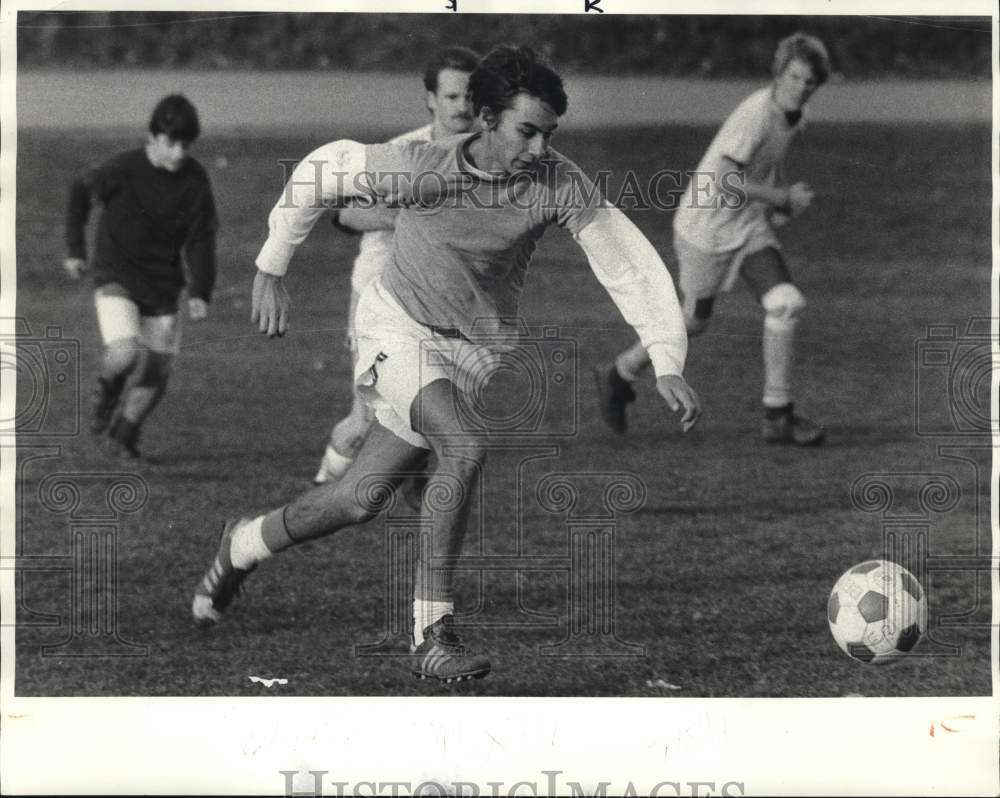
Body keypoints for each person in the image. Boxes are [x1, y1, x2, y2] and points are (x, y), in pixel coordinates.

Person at [192, 45, 701, 683]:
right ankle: (432, 633)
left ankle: (241, 544)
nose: (540, 148)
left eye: (549, 133)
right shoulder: (421, 167)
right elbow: (324, 169)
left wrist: (666, 357)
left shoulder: (557, 181)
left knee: (359, 499)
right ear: (485, 119)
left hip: (469, 354)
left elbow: (625, 261)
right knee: (464, 447)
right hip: (394, 327)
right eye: (527, 131)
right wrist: (271, 264)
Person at [595, 33, 830, 445]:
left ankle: (777, 415)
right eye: (794, 78)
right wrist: (780, 197)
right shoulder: (756, 113)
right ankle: (619, 374)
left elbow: (764, 164)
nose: (801, 88)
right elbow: (724, 179)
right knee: (692, 323)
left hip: (747, 225)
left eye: (809, 82)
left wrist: (776, 206)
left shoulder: (797, 116)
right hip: (705, 228)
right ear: (778, 74)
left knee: (785, 303)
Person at [314, 45, 481, 486]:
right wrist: (410, 215)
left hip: (444, 307)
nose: (463, 106)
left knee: (429, 434)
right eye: (452, 97)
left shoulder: (486, 158)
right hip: (381, 300)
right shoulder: (401, 152)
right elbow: (344, 212)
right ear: (430, 99)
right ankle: (320, 495)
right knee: (364, 421)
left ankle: (413, 518)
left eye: (470, 96)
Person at [64, 93, 218, 458]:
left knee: (157, 372)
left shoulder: (195, 181)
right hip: (116, 274)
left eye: (186, 144)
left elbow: (201, 237)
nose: (179, 152)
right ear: (153, 136)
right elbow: (79, 193)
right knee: (124, 352)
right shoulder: (121, 170)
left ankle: (124, 434)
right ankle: (108, 392)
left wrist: (200, 290)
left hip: (163, 286)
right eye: (171, 142)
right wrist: (75, 250)